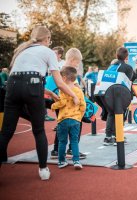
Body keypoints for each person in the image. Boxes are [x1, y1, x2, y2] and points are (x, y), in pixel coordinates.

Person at [0, 26, 79, 180]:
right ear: (47, 39)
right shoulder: (48, 52)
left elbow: (23, 79)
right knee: (38, 130)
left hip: (12, 86)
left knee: (6, 132)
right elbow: (60, 82)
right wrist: (74, 96)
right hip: (32, 85)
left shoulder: (21, 50)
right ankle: (43, 170)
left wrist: (49, 94)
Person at [50, 48, 87, 160]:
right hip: (70, 104)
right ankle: (71, 149)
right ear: (72, 60)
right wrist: (78, 92)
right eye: (77, 62)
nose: (78, 65)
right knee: (77, 124)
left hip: (60, 100)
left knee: (61, 124)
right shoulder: (69, 70)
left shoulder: (61, 69)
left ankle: (56, 150)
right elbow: (73, 86)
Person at [103, 47, 134, 145]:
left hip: (107, 93)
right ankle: (118, 136)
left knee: (111, 114)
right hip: (120, 94)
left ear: (116, 55)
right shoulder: (128, 67)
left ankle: (108, 137)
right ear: (127, 56)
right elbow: (128, 82)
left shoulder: (111, 66)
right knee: (120, 114)